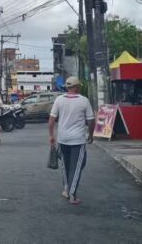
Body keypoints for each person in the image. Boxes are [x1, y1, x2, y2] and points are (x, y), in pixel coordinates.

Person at [49, 76, 95, 205]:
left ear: (67, 87)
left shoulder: (59, 100)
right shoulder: (84, 101)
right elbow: (91, 121)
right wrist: (90, 135)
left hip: (63, 138)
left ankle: (66, 189)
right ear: (77, 87)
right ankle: (72, 195)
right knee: (76, 167)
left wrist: (51, 136)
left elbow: (51, 120)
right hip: (78, 140)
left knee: (66, 165)